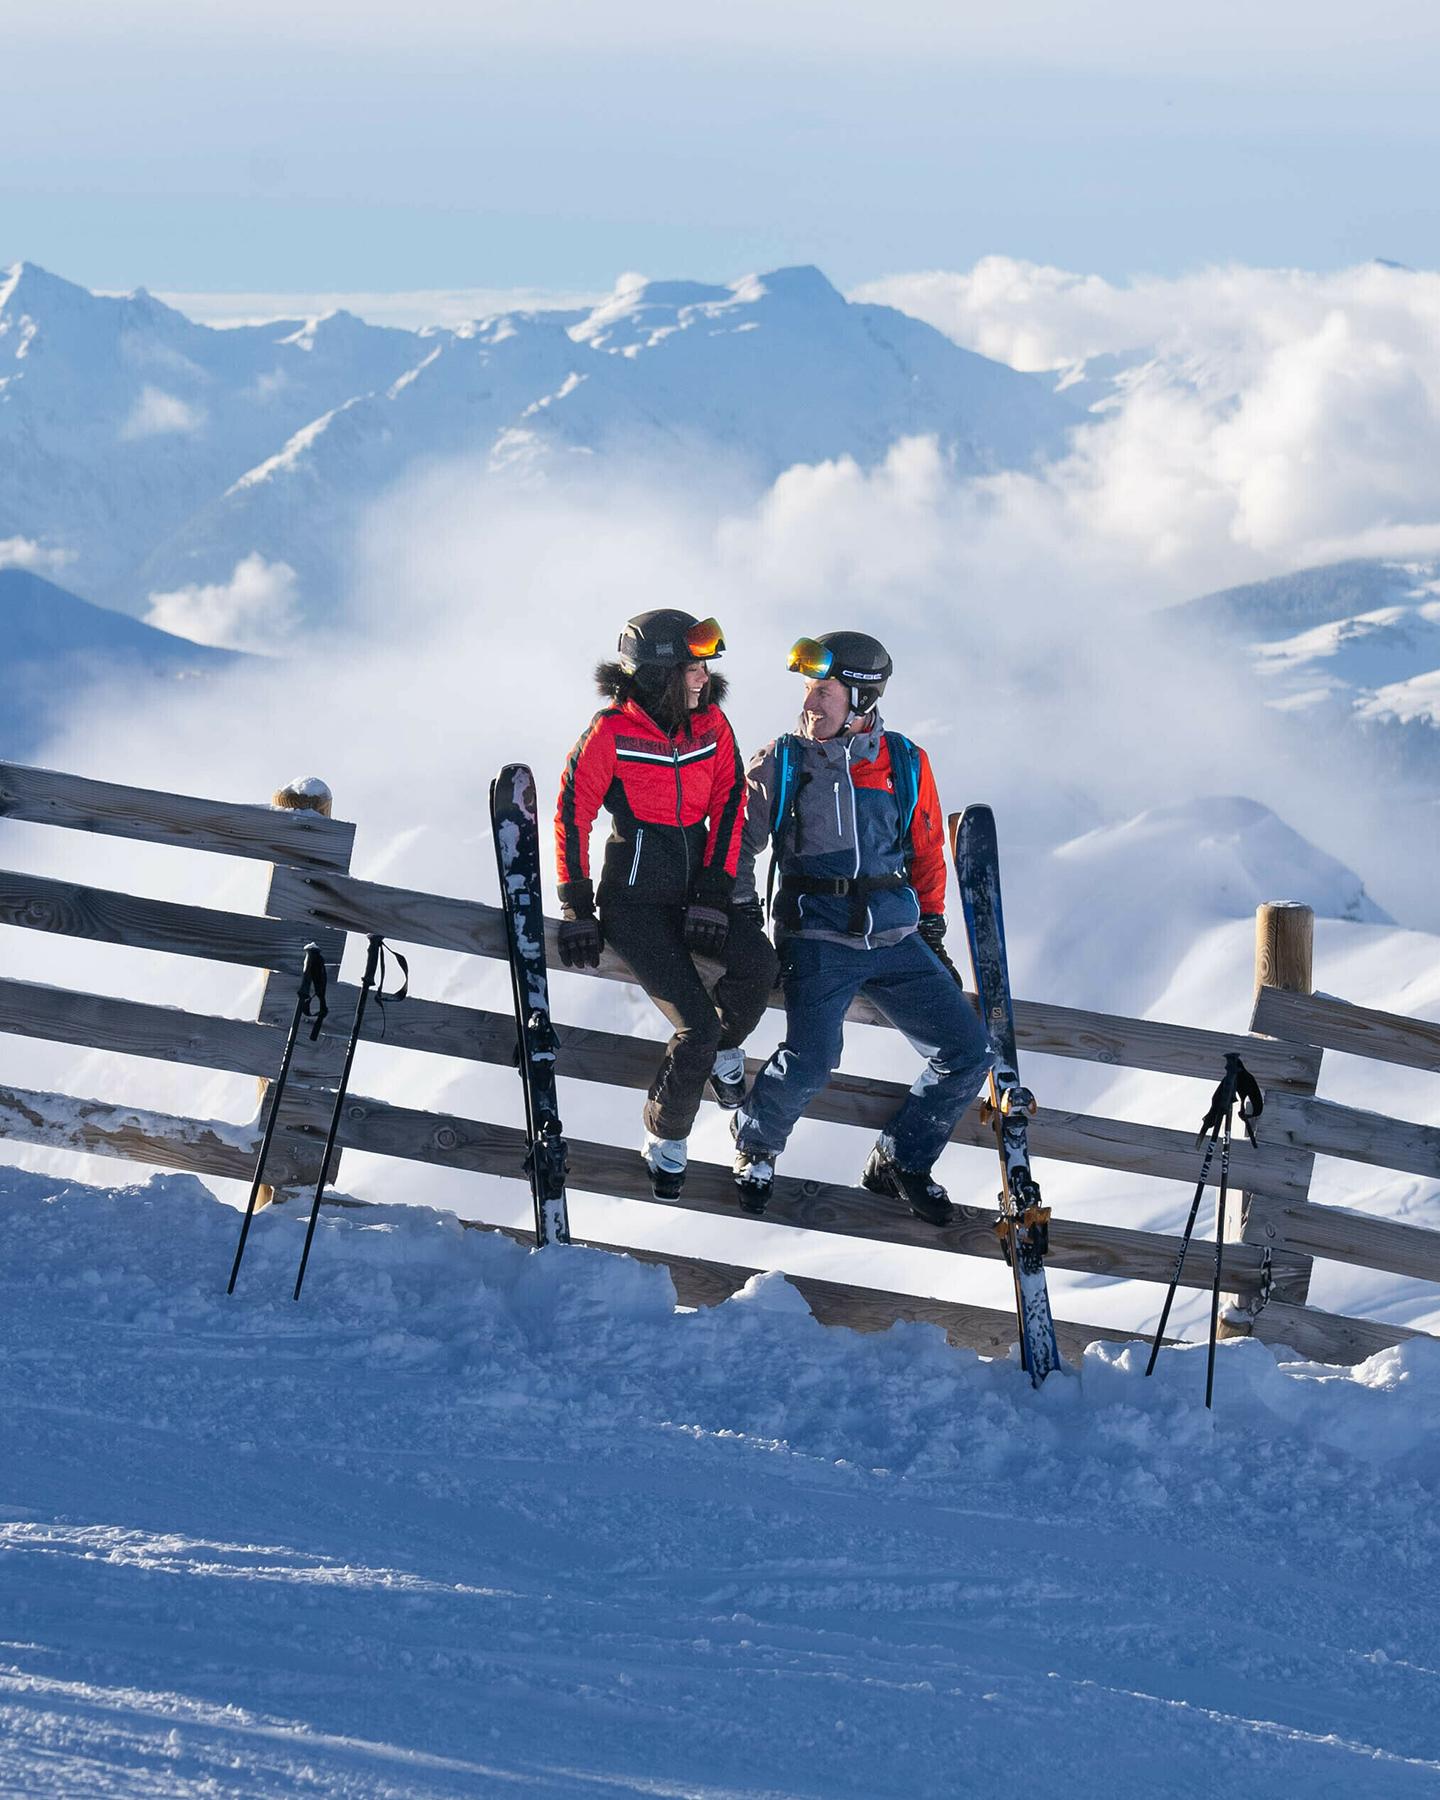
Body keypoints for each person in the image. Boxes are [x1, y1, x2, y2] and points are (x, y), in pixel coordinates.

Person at [729, 630, 993, 1223]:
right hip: (818, 937)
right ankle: (756, 1146)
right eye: (809, 690)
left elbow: (926, 850)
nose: (811, 703)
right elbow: (738, 846)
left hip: (895, 940)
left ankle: (901, 1159)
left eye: (824, 692)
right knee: (813, 1058)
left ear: (861, 699)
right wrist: (745, 913)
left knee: (969, 1050)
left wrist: (930, 928)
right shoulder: (782, 762)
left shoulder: (903, 761)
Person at [554, 610, 779, 1199]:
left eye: (704, 667)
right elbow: (571, 815)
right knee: (697, 1025)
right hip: (634, 905)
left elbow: (730, 802)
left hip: (697, 896)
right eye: (692, 666)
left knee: (760, 967)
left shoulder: (712, 727)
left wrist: (712, 891)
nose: (703, 677)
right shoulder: (610, 733)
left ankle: (727, 1051)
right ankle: (666, 1134)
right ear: (658, 673)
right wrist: (577, 906)